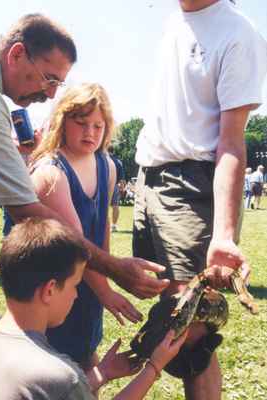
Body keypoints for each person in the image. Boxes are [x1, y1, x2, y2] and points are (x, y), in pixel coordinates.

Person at [133, 1, 267, 399]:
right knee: (167, 315)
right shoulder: (174, 23)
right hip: (148, 177)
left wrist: (224, 234)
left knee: (190, 330)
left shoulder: (237, 34)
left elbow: (231, 143)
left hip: (191, 183)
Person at [0, 13, 169, 300]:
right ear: (17, 54)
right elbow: (24, 208)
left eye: (57, 85)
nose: (49, 95)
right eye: (49, 79)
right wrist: (114, 268)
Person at [0, 217, 187, 400]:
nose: (75, 295)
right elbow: (60, 389)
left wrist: (103, 373)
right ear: (49, 290)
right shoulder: (58, 375)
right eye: (75, 285)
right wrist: (153, 367)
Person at [27, 83, 142, 370]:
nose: (90, 132)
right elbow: (75, 244)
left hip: (91, 277)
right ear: (62, 122)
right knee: (52, 365)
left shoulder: (108, 166)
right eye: (81, 124)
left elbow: (101, 225)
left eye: (98, 125)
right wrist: (106, 290)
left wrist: (102, 282)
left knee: (86, 351)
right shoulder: (51, 173)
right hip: (54, 286)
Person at [108, 145, 125, 232]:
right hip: (115, 186)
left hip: (103, 185)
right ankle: (114, 226)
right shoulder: (118, 162)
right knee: (115, 206)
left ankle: (101, 225)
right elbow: (122, 179)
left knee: (102, 207)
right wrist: (122, 188)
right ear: (113, 151)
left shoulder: (102, 160)